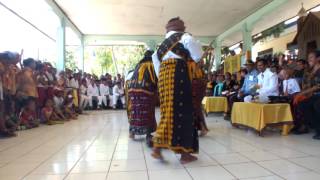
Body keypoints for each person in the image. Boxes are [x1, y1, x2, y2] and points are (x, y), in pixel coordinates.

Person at [151, 17, 203, 164]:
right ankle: (162, 147)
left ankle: (183, 153)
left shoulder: (160, 47)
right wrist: (197, 57)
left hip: (164, 79)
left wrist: (164, 77)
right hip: (178, 76)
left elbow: (157, 67)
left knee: (169, 112)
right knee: (184, 113)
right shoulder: (185, 37)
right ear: (181, 27)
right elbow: (197, 55)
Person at [127, 50, 157, 147]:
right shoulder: (152, 65)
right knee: (148, 111)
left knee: (135, 110)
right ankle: (149, 135)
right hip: (145, 91)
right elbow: (155, 80)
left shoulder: (138, 65)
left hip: (132, 90)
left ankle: (132, 132)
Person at [292, 50, 320, 137]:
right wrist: (301, 94)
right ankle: (312, 127)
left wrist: (301, 94)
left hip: (318, 94)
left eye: (311, 57)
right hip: (313, 95)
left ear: (318, 58)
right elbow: (306, 85)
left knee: (316, 104)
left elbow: (317, 86)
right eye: (308, 58)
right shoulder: (309, 71)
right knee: (301, 104)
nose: (309, 60)